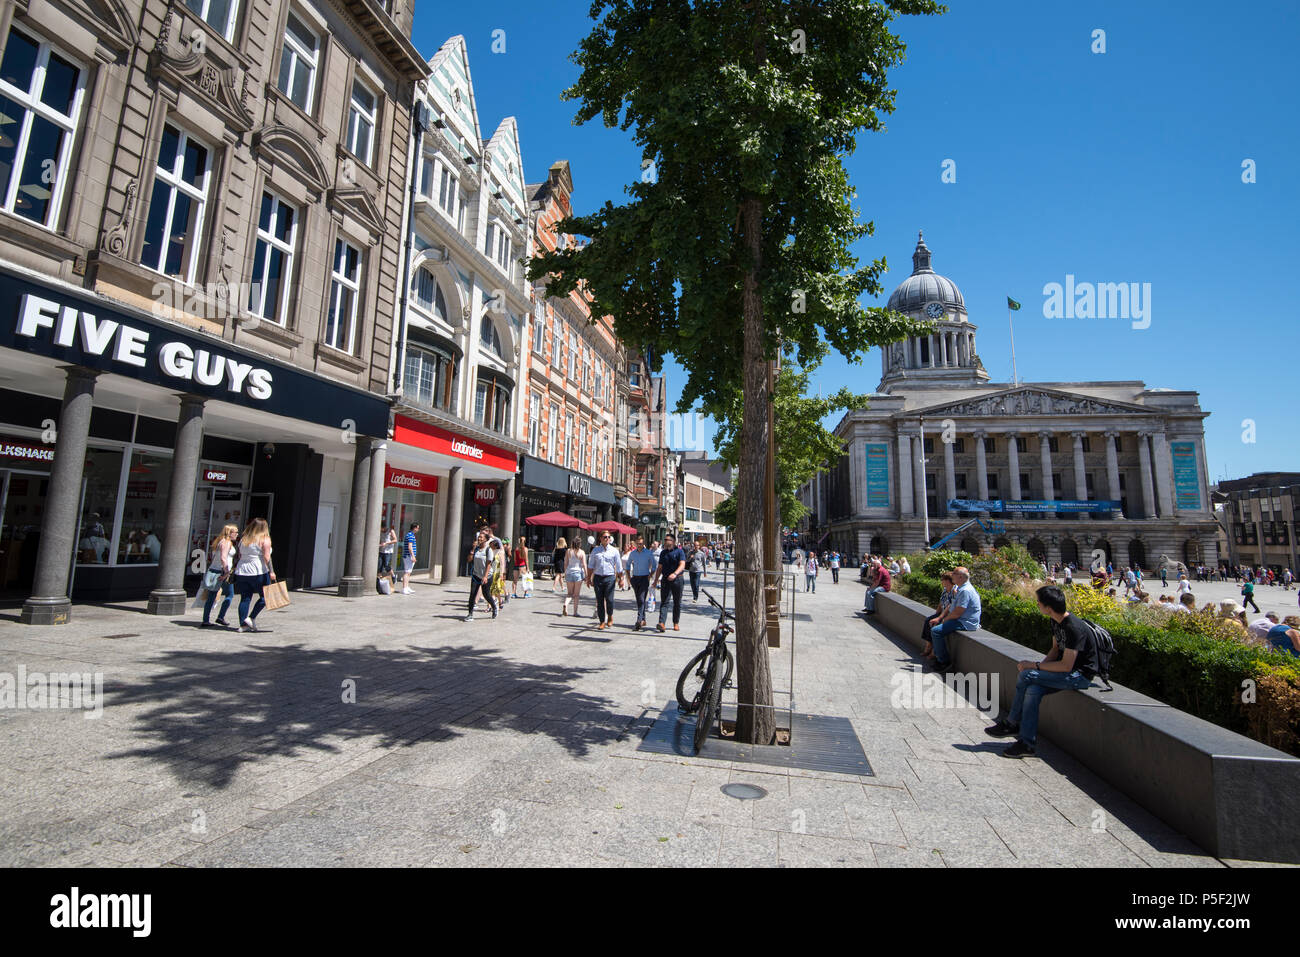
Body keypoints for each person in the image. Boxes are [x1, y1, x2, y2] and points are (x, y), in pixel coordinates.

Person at [985, 584, 1098, 758]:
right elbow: (1055, 650)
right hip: (1065, 672)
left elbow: (1066, 665)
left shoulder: (1073, 628)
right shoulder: (1055, 620)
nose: (1037, 604)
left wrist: (1034, 667)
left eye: (1039, 602)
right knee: (1033, 688)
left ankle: (1012, 723)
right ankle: (1027, 744)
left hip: (1079, 676)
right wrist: (1039, 671)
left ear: (1049, 607)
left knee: (1026, 674)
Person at [926, 566, 980, 674]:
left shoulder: (965, 591)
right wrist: (940, 618)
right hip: (961, 619)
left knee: (936, 631)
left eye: (954, 573)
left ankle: (944, 661)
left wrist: (945, 619)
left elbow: (959, 611)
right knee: (934, 625)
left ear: (960, 577)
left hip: (965, 622)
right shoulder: (960, 589)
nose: (952, 575)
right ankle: (937, 656)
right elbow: (952, 606)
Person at [233, 518, 275, 633]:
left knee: (245, 598)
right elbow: (267, 557)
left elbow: (240, 555)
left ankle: (243, 625)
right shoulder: (264, 539)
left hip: (242, 570)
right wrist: (271, 571)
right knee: (266, 597)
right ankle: (250, 618)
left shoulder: (244, 539)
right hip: (258, 570)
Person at [201, 524, 239, 627]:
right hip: (222, 572)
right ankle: (220, 617)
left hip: (215, 570)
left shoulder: (219, 541)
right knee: (229, 595)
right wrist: (226, 572)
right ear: (229, 533)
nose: (237, 534)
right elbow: (223, 558)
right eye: (235, 532)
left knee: (212, 596)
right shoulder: (226, 542)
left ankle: (206, 619)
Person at [587, 531, 626, 629]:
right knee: (599, 601)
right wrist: (588, 578)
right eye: (605, 537)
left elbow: (619, 567)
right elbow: (591, 566)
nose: (607, 538)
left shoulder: (614, 551)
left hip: (610, 577)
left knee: (609, 600)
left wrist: (621, 579)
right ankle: (602, 621)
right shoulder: (595, 551)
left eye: (608, 537)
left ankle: (610, 615)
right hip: (598, 577)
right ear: (600, 538)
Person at [652, 533, 687, 632]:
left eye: (667, 540)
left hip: (677, 579)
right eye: (665, 539)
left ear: (673, 541)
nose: (665, 541)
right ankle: (661, 623)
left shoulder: (679, 551)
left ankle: (676, 623)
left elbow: (682, 564)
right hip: (665, 580)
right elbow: (660, 567)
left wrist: (675, 574)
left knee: (677, 602)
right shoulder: (663, 553)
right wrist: (655, 580)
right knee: (664, 601)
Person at [920, 572, 957, 659]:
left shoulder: (955, 591)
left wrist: (940, 617)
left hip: (948, 615)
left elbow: (951, 606)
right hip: (942, 613)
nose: (941, 581)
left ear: (948, 581)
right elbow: (941, 603)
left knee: (936, 626)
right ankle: (928, 645)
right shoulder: (945, 590)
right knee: (928, 621)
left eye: (942, 579)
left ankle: (934, 652)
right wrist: (936, 614)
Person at [627, 536, 657, 630]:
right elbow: (627, 565)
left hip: (644, 578)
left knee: (641, 598)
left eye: (640, 543)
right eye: (637, 544)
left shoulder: (648, 553)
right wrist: (629, 578)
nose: (639, 545)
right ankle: (643, 619)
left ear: (643, 544)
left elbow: (654, 565)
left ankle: (639, 620)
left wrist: (650, 575)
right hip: (635, 578)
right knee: (639, 599)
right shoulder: (632, 553)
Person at [464, 531, 494, 621]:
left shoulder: (488, 550)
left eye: (481, 537)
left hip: (487, 575)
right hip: (476, 575)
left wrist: (485, 576)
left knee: (486, 594)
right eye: (479, 537)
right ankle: (470, 614)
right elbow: (469, 560)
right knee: (472, 594)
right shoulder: (476, 549)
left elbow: (489, 564)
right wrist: (473, 550)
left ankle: (494, 607)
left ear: (486, 539)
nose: (479, 538)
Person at [563, 537, 588, 617]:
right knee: (576, 595)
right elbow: (584, 564)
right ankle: (575, 612)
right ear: (579, 544)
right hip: (578, 574)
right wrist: (586, 575)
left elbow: (565, 563)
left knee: (569, 593)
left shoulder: (568, 551)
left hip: (569, 573)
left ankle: (566, 604)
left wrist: (565, 572)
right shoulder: (582, 552)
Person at [400, 522, 419, 595]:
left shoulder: (410, 535)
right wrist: (413, 556)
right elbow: (410, 547)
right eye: (417, 528)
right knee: (407, 572)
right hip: (408, 556)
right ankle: (404, 588)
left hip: (408, 556)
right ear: (414, 528)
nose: (418, 529)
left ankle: (407, 587)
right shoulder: (410, 536)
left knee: (409, 572)